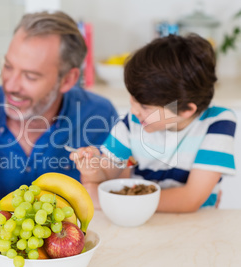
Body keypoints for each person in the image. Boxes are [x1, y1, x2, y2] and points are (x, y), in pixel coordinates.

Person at [0, 11, 118, 204]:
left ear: (67, 79)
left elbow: (118, 196)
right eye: (8, 66)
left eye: (30, 76)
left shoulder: (100, 116)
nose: (11, 85)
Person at [70, 34, 237, 212]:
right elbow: (107, 176)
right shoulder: (133, 122)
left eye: (144, 106)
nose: (133, 110)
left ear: (186, 109)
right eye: (133, 98)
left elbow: (190, 199)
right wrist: (92, 170)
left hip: (196, 226)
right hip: (142, 222)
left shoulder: (218, 123)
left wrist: (118, 202)